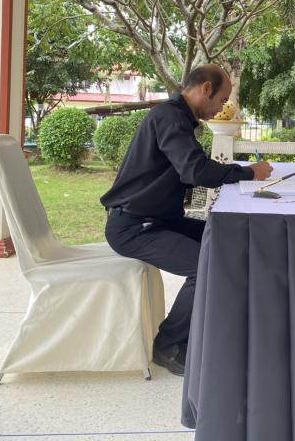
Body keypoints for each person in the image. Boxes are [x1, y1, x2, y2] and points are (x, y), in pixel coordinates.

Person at [101, 65, 272, 376]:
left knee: (224, 235)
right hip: (134, 226)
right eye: (222, 100)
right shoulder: (169, 117)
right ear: (206, 89)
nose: (222, 108)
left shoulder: (177, 118)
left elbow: (192, 169)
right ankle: (167, 345)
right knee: (206, 265)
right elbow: (194, 170)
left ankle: (215, 329)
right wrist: (248, 172)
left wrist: (234, 176)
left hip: (159, 218)